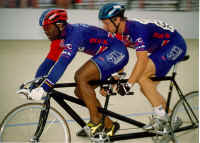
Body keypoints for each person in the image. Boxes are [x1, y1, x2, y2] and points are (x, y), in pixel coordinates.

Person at [24, 8, 129, 136]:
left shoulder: (75, 34)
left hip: (117, 50)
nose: (45, 32)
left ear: (60, 25)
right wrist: (34, 85)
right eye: (43, 29)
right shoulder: (58, 39)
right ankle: (108, 125)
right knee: (80, 92)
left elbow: (63, 63)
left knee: (80, 76)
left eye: (47, 28)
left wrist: (45, 88)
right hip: (106, 53)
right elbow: (48, 63)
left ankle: (96, 121)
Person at [98, 3, 187, 132]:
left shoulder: (137, 29)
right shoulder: (118, 33)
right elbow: (119, 58)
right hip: (161, 50)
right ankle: (173, 118)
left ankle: (162, 118)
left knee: (142, 77)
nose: (104, 27)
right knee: (147, 88)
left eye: (106, 23)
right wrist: (117, 77)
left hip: (175, 44)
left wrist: (128, 85)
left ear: (117, 20)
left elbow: (142, 60)